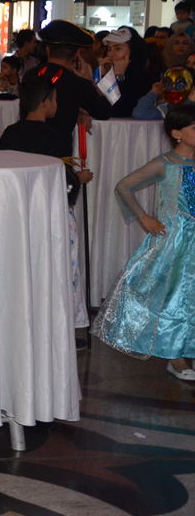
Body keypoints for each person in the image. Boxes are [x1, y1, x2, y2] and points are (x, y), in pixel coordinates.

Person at [93, 103, 195, 381]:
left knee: (191, 298)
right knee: (174, 297)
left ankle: (189, 348)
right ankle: (175, 356)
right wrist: (144, 218)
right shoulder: (165, 164)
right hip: (177, 241)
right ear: (177, 134)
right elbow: (124, 186)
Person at [0, 72, 93, 328]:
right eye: (55, 100)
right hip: (49, 214)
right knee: (55, 267)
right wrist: (79, 179)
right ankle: (59, 321)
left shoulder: (10, 133)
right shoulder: (55, 137)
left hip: (16, 212)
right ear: (45, 103)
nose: (57, 105)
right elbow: (61, 180)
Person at [31, 20, 112, 159]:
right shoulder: (77, 82)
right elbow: (104, 111)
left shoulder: (30, 75)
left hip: (28, 148)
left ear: (47, 49)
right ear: (76, 54)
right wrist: (89, 80)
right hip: (59, 154)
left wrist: (78, 110)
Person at [100, 26, 156, 118]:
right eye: (109, 49)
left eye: (117, 48)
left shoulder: (145, 80)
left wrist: (119, 77)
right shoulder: (106, 72)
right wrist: (100, 75)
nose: (111, 54)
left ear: (133, 51)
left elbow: (119, 111)